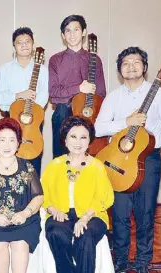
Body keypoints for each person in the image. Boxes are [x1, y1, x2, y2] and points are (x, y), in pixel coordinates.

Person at [95, 47, 161, 273]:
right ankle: (121, 261)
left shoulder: (160, 94)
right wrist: (126, 121)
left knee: (145, 213)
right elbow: (99, 127)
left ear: (145, 67)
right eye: (126, 63)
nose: (131, 66)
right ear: (120, 70)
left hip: (147, 160)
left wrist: (147, 145)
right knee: (120, 215)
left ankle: (143, 261)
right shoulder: (114, 96)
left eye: (136, 62)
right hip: (118, 160)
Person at [42, 116, 114, 273]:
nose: (78, 142)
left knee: (85, 237)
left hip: (92, 215)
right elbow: (43, 194)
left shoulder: (97, 166)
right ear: (65, 140)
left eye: (83, 137)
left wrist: (85, 218)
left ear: (89, 141)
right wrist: (53, 210)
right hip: (61, 214)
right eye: (73, 137)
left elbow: (104, 197)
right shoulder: (54, 165)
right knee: (55, 233)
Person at [0, 118, 43, 273]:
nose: (7, 145)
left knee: (20, 246)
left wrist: (25, 213)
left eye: (12, 140)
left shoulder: (27, 166)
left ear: (18, 143)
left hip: (24, 222)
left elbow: (38, 196)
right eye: (2, 140)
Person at [49, 15, 106, 159]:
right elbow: (53, 92)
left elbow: (101, 93)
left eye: (76, 29)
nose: (72, 34)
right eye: (67, 31)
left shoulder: (95, 60)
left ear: (84, 32)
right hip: (64, 112)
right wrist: (79, 88)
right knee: (61, 111)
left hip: (88, 112)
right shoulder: (55, 60)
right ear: (63, 35)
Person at [0, 26, 49, 176]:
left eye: (28, 41)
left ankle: (34, 197)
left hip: (34, 120)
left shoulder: (43, 70)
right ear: (14, 46)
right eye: (20, 42)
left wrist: (29, 110)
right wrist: (19, 95)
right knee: (10, 162)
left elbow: (44, 96)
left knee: (33, 164)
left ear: (33, 44)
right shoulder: (4, 69)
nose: (24, 45)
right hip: (11, 120)